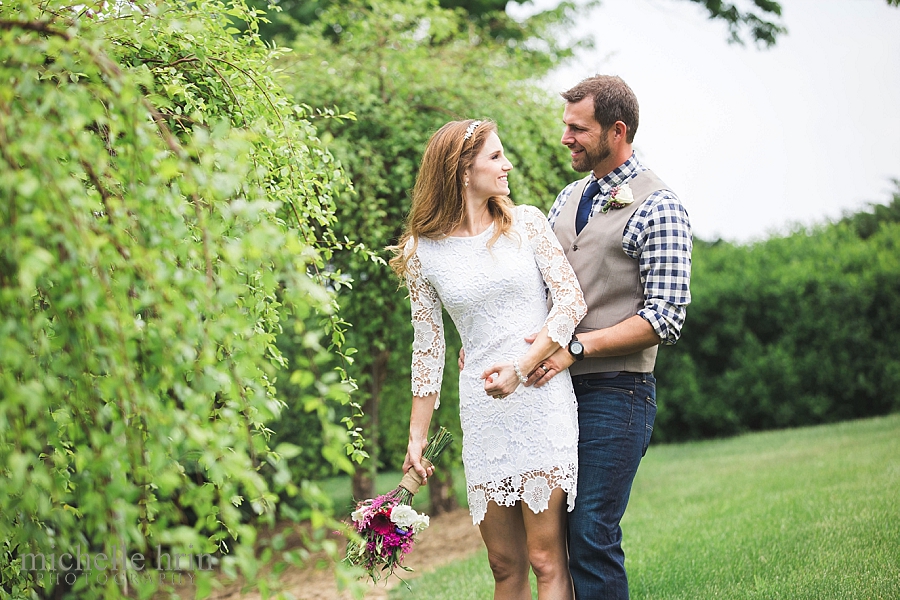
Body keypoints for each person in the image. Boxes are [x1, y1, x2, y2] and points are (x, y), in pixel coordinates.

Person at [390, 118, 587, 600]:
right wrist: (416, 437)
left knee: (545, 560)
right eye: (496, 157)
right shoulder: (423, 253)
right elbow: (428, 347)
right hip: (483, 413)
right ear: (461, 169)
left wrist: (522, 369)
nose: (508, 165)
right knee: (503, 566)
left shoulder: (528, 223)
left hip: (540, 397)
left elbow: (570, 301)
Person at [525, 75, 693, 599]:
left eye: (578, 128)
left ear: (616, 131)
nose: (565, 138)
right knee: (553, 539)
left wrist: (578, 347)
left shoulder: (660, 206)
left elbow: (664, 318)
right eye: (566, 125)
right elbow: (541, 288)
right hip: (554, 395)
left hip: (617, 396)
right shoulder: (566, 197)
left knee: (592, 533)